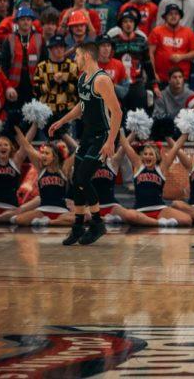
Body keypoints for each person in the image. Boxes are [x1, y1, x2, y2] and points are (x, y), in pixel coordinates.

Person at [48, 42, 123, 245]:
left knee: (82, 177)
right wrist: (62, 121)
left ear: (87, 57)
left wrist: (110, 141)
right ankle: (78, 226)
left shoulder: (102, 80)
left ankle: (98, 223)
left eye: (77, 56)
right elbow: (81, 107)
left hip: (102, 135)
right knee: (76, 178)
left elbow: (117, 112)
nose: (75, 59)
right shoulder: (83, 78)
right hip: (89, 134)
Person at [117, 132, 192, 227]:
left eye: (151, 154)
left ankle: (148, 222)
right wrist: (123, 128)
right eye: (145, 154)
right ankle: (159, 223)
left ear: (156, 157)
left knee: (187, 219)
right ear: (142, 156)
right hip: (141, 210)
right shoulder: (138, 165)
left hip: (160, 208)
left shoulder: (161, 169)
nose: (148, 156)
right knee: (129, 215)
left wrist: (180, 133)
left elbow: (176, 147)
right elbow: (125, 145)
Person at [107, 9, 152, 112]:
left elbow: (148, 63)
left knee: (138, 116)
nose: (128, 24)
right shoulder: (113, 41)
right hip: (118, 84)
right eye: (125, 21)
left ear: (135, 24)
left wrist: (154, 84)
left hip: (137, 83)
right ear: (121, 24)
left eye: (131, 21)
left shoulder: (141, 40)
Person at [148, 3, 194, 88]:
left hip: (182, 78)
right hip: (161, 78)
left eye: (176, 14)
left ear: (180, 17)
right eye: (170, 14)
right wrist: (153, 74)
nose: (173, 16)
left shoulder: (188, 32)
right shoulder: (156, 31)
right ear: (165, 17)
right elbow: (150, 54)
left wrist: (181, 57)